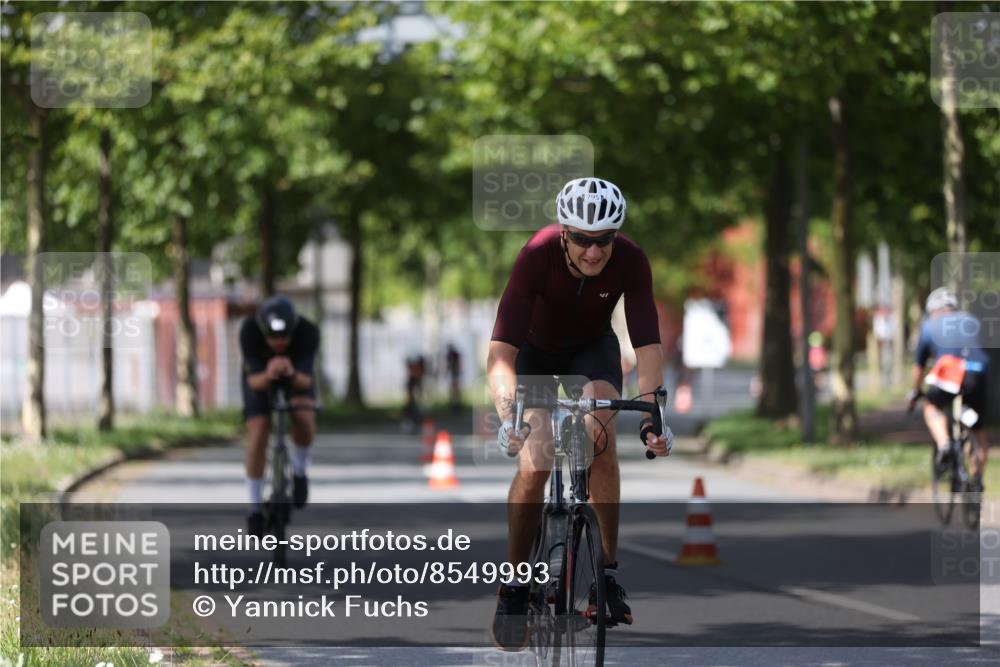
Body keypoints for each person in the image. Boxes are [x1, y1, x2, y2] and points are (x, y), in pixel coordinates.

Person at [486, 177, 672, 651]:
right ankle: (514, 584)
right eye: (584, 240)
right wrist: (510, 414)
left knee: (601, 438)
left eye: (604, 239)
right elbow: (501, 354)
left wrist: (653, 415)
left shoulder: (630, 259)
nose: (595, 252)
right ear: (565, 233)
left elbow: (648, 347)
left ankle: (605, 576)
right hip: (534, 352)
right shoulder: (537, 254)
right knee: (537, 459)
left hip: (592, 350)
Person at [240, 295, 320, 536]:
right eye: (273, 337)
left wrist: (290, 372)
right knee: (259, 430)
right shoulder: (250, 331)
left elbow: (306, 380)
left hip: (296, 377)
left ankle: (299, 470)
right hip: (261, 381)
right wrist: (270, 373)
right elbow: (254, 381)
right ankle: (254, 507)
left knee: (304, 418)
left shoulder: (307, 331)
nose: (279, 343)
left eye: (284, 337)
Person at [907, 287, 990, 490]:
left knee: (932, 406)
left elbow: (918, 368)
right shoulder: (973, 320)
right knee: (977, 429)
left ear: (933, 310)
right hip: (978, 374)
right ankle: (977, 479)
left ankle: (944, 444)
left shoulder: (929, 326)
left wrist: (916, 391)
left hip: (950, 374)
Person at [445, 343, 463, 409]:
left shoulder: (454, 354)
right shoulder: (452, 354)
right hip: (453, 373)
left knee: (455, 388)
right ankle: (454, 403)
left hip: (455, 373)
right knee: (454, 389)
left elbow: (456, 364)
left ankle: (456, 403)